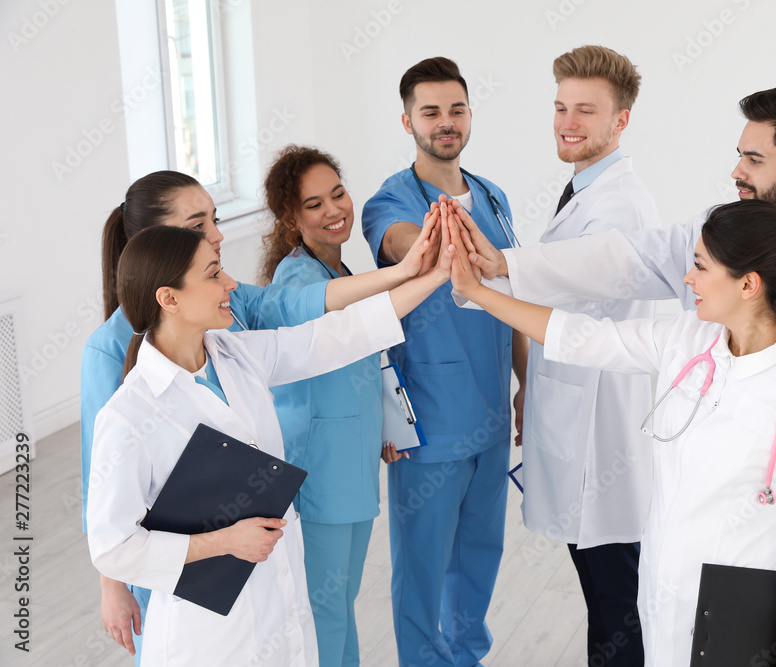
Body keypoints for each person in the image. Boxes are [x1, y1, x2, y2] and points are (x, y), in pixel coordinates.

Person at [460, 84, 776, 592]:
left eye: (754, 159)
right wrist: (506, 266)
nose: (737, 170)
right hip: (688, 534)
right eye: (739, 155)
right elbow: (625, 261)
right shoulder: (717, 239)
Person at [448, 199, 776, 667]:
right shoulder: (689, 339)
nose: (687, 279)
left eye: (701, 267)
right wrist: (477, 292)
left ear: (749, 284)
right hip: (660, 599)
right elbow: (581, 337)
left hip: (737, 621)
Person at [81, 170, 437, 661]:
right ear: (169, 298)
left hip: (277, 599)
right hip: (205, 631)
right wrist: (224, 541)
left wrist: (432, 274)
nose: (231, 282)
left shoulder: (237, 353)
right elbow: (113, 546)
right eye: (213, 274)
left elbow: (340, 335)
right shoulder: (129, 413)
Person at [360, 56, 527, 666]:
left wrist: (524, 386)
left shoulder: (492, 195)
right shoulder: (388, 202)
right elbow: (411, 247)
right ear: (407, 121)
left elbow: (511, 297)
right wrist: (437, 237)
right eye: (430, 111)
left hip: (488, 411)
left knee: (480, 557)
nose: (445, 122)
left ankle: (467, 657)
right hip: (430, 421)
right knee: (423, 568)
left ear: (469, 115)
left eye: (456, 109)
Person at [509, 44, 655, 666]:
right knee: (608, 599)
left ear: (620, 121)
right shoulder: (585, 189)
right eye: (562, 106)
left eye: (586, 111)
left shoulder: (617, 206)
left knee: (619, 602)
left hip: (602, 438)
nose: (567, 122)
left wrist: (483, 278)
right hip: (579, 414)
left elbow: (568, 305)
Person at [259, 145, 421, 666]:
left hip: (350, 463)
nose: (334, 210)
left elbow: (355, 367)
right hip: (320, 471)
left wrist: (381, 430)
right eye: (313, 205)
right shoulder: (300, 280)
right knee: (325, 611)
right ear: (290, 218)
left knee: (340, 604)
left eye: (338, 194)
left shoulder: (338, 267)